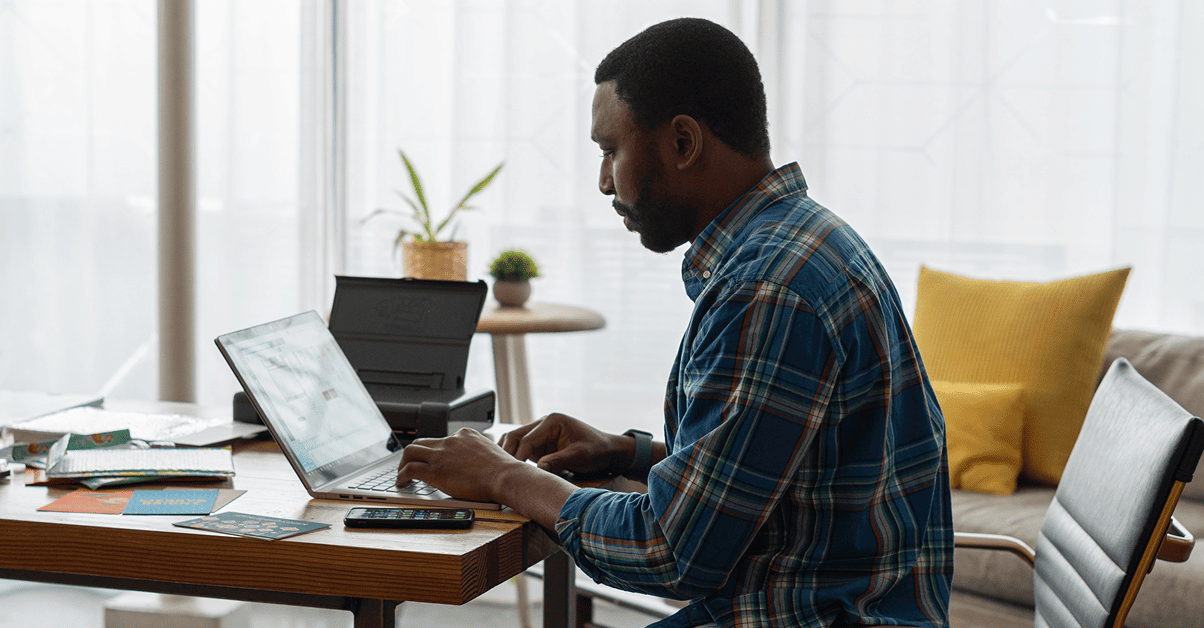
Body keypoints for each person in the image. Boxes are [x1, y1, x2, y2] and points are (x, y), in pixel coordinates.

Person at [397, 17, 953, 628]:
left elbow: (669, 551)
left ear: (683, 143)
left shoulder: (766, 288)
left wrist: (504, 476)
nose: (604, 181)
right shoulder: (806, 242)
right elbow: (790, 469)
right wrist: (628, 453)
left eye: (611, 151)